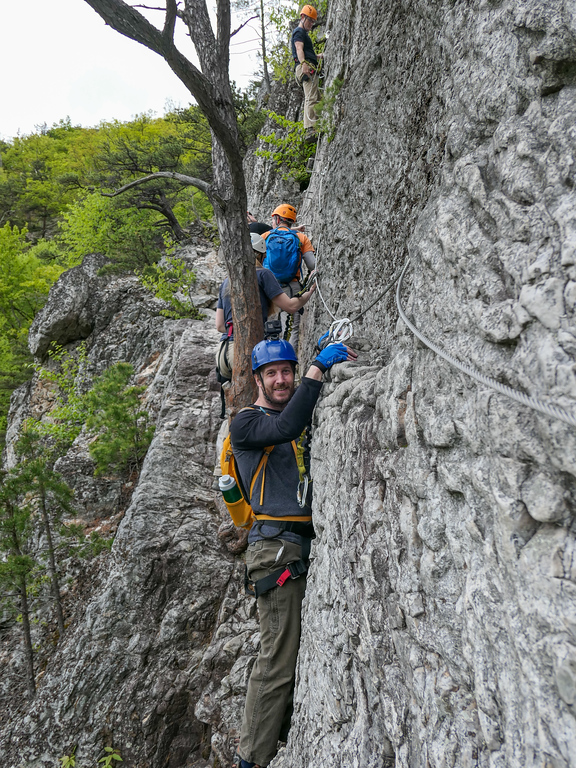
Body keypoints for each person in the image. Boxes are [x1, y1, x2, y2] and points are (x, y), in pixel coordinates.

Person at [231, 336, 358, 768]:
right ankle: (251, 759)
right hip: (275, 552)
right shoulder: (246, 423)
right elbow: (285, 428)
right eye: (273, 374)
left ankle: (279, 736)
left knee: (291, 654)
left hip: (297, 545)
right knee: (278, 659)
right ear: (258, 380)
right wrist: (316, 369)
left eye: (288, 371)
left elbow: (295, 422)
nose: (282, 380)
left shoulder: (293, 412)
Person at [215, 232, 316, 380]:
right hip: (246, 349)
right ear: (260, 255)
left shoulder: (227, 281)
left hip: (223, 352)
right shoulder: (263, 275)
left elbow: (219, 326)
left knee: (230, 400)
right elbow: (291, 306)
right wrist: (309, 291)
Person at [262, 204, 316, 352]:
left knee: (268, 327)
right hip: (292, 288)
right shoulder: (301, 238)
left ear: (278, 219)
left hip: (268, 287)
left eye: (273, 218)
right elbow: (312, 264)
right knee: (291, 329)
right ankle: (289, 364)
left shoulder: (266, 237)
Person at [291, 5, 322, 143]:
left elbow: (308, 53)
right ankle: (310, 128)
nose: (311, 24)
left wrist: (318, 56)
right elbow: (299, 48)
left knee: (318, 98)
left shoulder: (304, 34)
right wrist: (304, 64)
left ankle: (319, 123)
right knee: (311, 96)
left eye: (313, 22)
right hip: (305, 67)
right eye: (310, 20)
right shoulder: (299, 32)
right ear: (303, 17)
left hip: (308, 64)